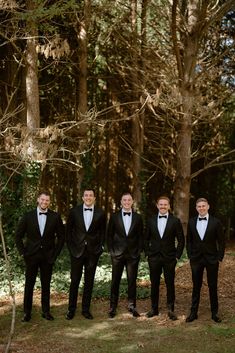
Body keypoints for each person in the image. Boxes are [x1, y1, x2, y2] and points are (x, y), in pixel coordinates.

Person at [16, 191, 65, 322]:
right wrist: (23, 253)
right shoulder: (28, 216)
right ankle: (27, 313)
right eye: (42, 200)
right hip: (31, 256)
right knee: (29, 285)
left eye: (47, 200)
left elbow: (61, 238)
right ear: (38, 200)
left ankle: (46, 311)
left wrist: (55, 254)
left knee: (46, 285)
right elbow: (18, 236)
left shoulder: (55, 217)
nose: (44, 202)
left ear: (50, 202)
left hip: (48, 257)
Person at [66, 188, 106, 320]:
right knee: (75, 281)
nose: (88, 197)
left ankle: (85, 309)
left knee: (89, 282)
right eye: (86, 195)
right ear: (82, 197)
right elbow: (68, 232)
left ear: (94, 198)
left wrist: (99, 248)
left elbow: (102, 233)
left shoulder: (101, 213)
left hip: (92, 252)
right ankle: (71, 310)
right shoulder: (74, 211)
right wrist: (72, 248)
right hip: (77, 252)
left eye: (91, 195)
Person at [186, 197, 225, 323]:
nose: (201, 208)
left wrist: (219, 257)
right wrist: (190, 255)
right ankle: (193, 313)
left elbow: (221, 241)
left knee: (212, 286)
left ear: (208, 206)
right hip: (196, 259)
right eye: (199, 206)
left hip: (212, 259)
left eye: (203, 206)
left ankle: (214, 313)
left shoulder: (216, 222)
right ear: (196, 208)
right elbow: (189, 241)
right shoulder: (191, 222)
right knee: (196, 286)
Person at [145, 196, 185, 320]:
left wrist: (177, 256)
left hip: (169, 258)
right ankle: (154, 309)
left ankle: (170, 309)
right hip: (154, 258)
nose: (162, 206)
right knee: (154, 283)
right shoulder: (151, 220)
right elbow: (145, 239)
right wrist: (148, 254)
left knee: (170, 284)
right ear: (157, 205)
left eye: (165, 204)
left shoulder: (175, 221)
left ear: (168, 206)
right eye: (160, 204)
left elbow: (181, 240)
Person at [107, 192, 143, 318]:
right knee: (115, 281)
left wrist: (138, 251)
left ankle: (132, 306)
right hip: (117, 254)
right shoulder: (114, 217)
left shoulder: (138, 218)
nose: (127, 202)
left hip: (133, 255)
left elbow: (140, 236)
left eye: (129, 200)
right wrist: (112, 251)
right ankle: (112, 307)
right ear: (121, 202)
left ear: (132, 202)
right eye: (124, 200)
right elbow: (109, 235)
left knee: (132, 281)